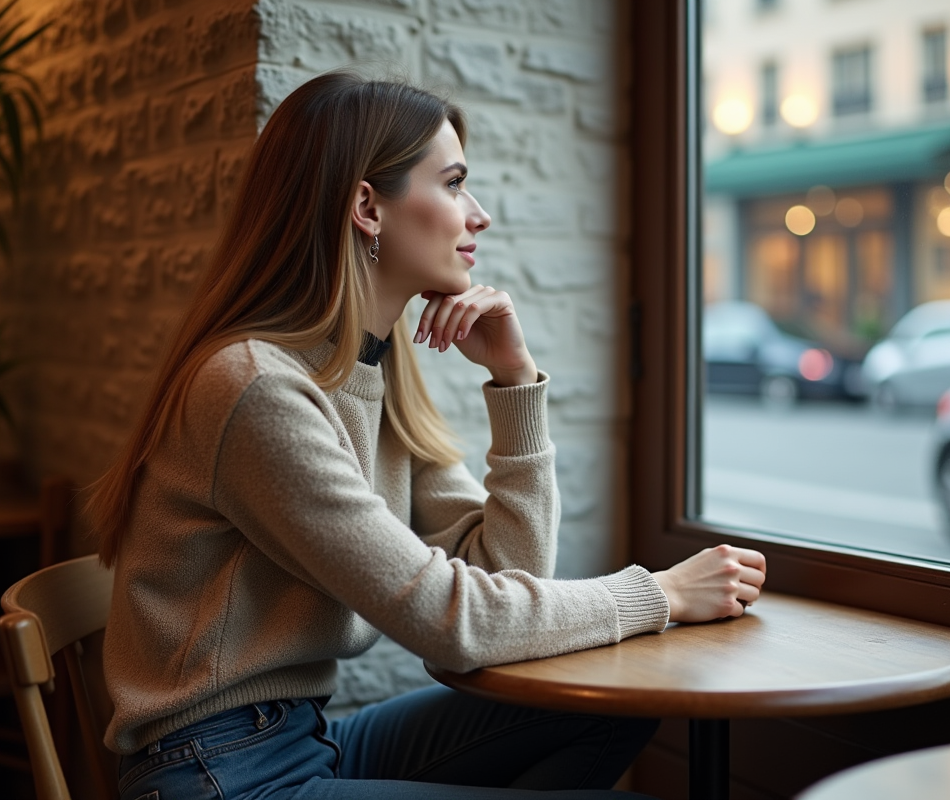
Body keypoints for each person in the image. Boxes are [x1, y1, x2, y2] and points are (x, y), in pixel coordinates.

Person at [87, 71, 767, 800]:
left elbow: (509, 575)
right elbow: (453, 621)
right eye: (452, 184)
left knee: (617, 709)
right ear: (367, 207)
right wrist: (658, 593)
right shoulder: (254, 388)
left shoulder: (364, 372)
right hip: (220, 773)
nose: (478, 216)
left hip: (299, 742)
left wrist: (515, 380)